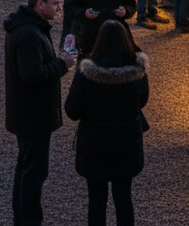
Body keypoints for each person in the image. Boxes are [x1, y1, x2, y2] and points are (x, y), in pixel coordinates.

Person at [4, 0, 76, 226]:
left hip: (26, 114)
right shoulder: (30, 34)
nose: (59, 8)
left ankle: (21, 219)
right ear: (40, 4)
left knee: (26, 169)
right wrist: (62, 64)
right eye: (55, 3)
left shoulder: (27, 28)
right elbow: (32, 75)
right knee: (33, 175)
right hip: (32, 117)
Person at [64, 19, 149, 226]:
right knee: (123, 198)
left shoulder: (87, 73)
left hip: (95, 144)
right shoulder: (137, 70)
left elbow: (72, 110)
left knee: (96, 201)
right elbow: (143, 100)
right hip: (126, 142)